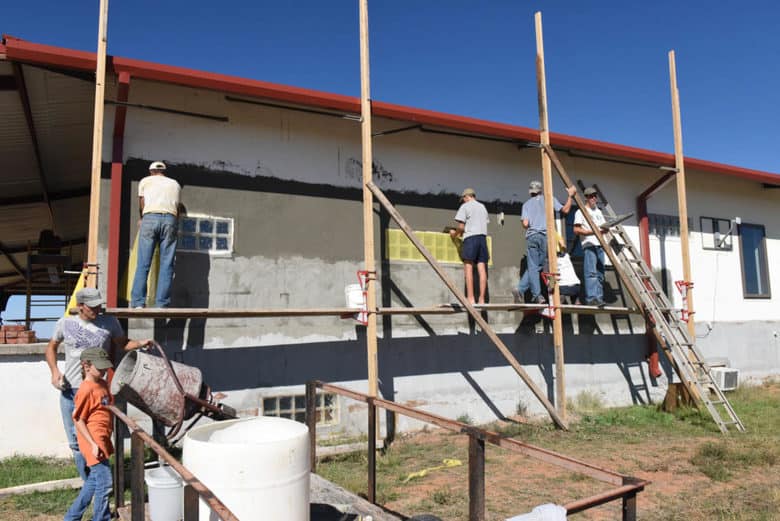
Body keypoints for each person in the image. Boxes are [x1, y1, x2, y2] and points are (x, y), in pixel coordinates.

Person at [46, 288, 150, 480]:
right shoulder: (65, 323)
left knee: (98, 437)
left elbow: (123, 343)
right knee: (76, 442)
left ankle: (100, 483)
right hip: (70, 390)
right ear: (80, 306)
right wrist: (54, 371)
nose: (98, 308)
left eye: (99, 305)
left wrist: (141, 343)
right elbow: (51, 347)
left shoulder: (109, 322)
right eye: (92, 306)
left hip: (97, 390)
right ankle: (90, 484)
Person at [64, 348, 115, 521]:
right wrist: (93, 444)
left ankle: (71, 517)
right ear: (86, 365)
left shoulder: (102, 383)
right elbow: (78, 419)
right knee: (105, 483)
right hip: (93, 441)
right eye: (99, 368)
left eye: (104, 368)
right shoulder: (85, 389)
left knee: (93, 481)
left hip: (102, 437)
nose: (102, 371)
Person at [131, 160, 181, 308]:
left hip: (150, 218)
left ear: (151, 171)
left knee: (143, 263)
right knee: (167, 265)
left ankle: (138, 302)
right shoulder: (175, 184)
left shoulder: (145, 181)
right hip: (170, 219)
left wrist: (142, 218)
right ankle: (162, 304)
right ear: (163, 171)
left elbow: (142, 202)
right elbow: (177, 208)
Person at [515, 181, 576, 304]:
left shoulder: (526, 205)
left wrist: (534, 222)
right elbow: (565, 210)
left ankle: (530, 292)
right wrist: (571, 196)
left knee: (534, 267)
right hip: (547, 239)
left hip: (532, 237)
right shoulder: (549, 200)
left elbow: (525, 224)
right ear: (541, 190)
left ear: (530, 192)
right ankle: (550, 292)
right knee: (546, 266)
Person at [449, 188, 490, 304]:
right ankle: (482, 299)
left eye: (463, 199)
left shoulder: (465, 207)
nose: (463, 201)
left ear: (466, 197)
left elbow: (461, 227)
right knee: (482, 269)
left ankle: (471, 298)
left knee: (468, 268)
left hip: (470, 238)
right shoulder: (482, 207)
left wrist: (454, 234)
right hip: (482, 238)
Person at [574, 186, 608, 307]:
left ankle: (598, 298)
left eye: (595, 196)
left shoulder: (598, 211)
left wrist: (605, 230)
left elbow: (602, 227)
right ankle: (591, 298)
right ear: (586, 198)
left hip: (601, 244)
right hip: (589, 244)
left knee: (600, 273)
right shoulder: (581, 211)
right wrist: (593, 232)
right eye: (591, 196)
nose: (593, 198)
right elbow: (576, 229)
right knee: (591, 273)